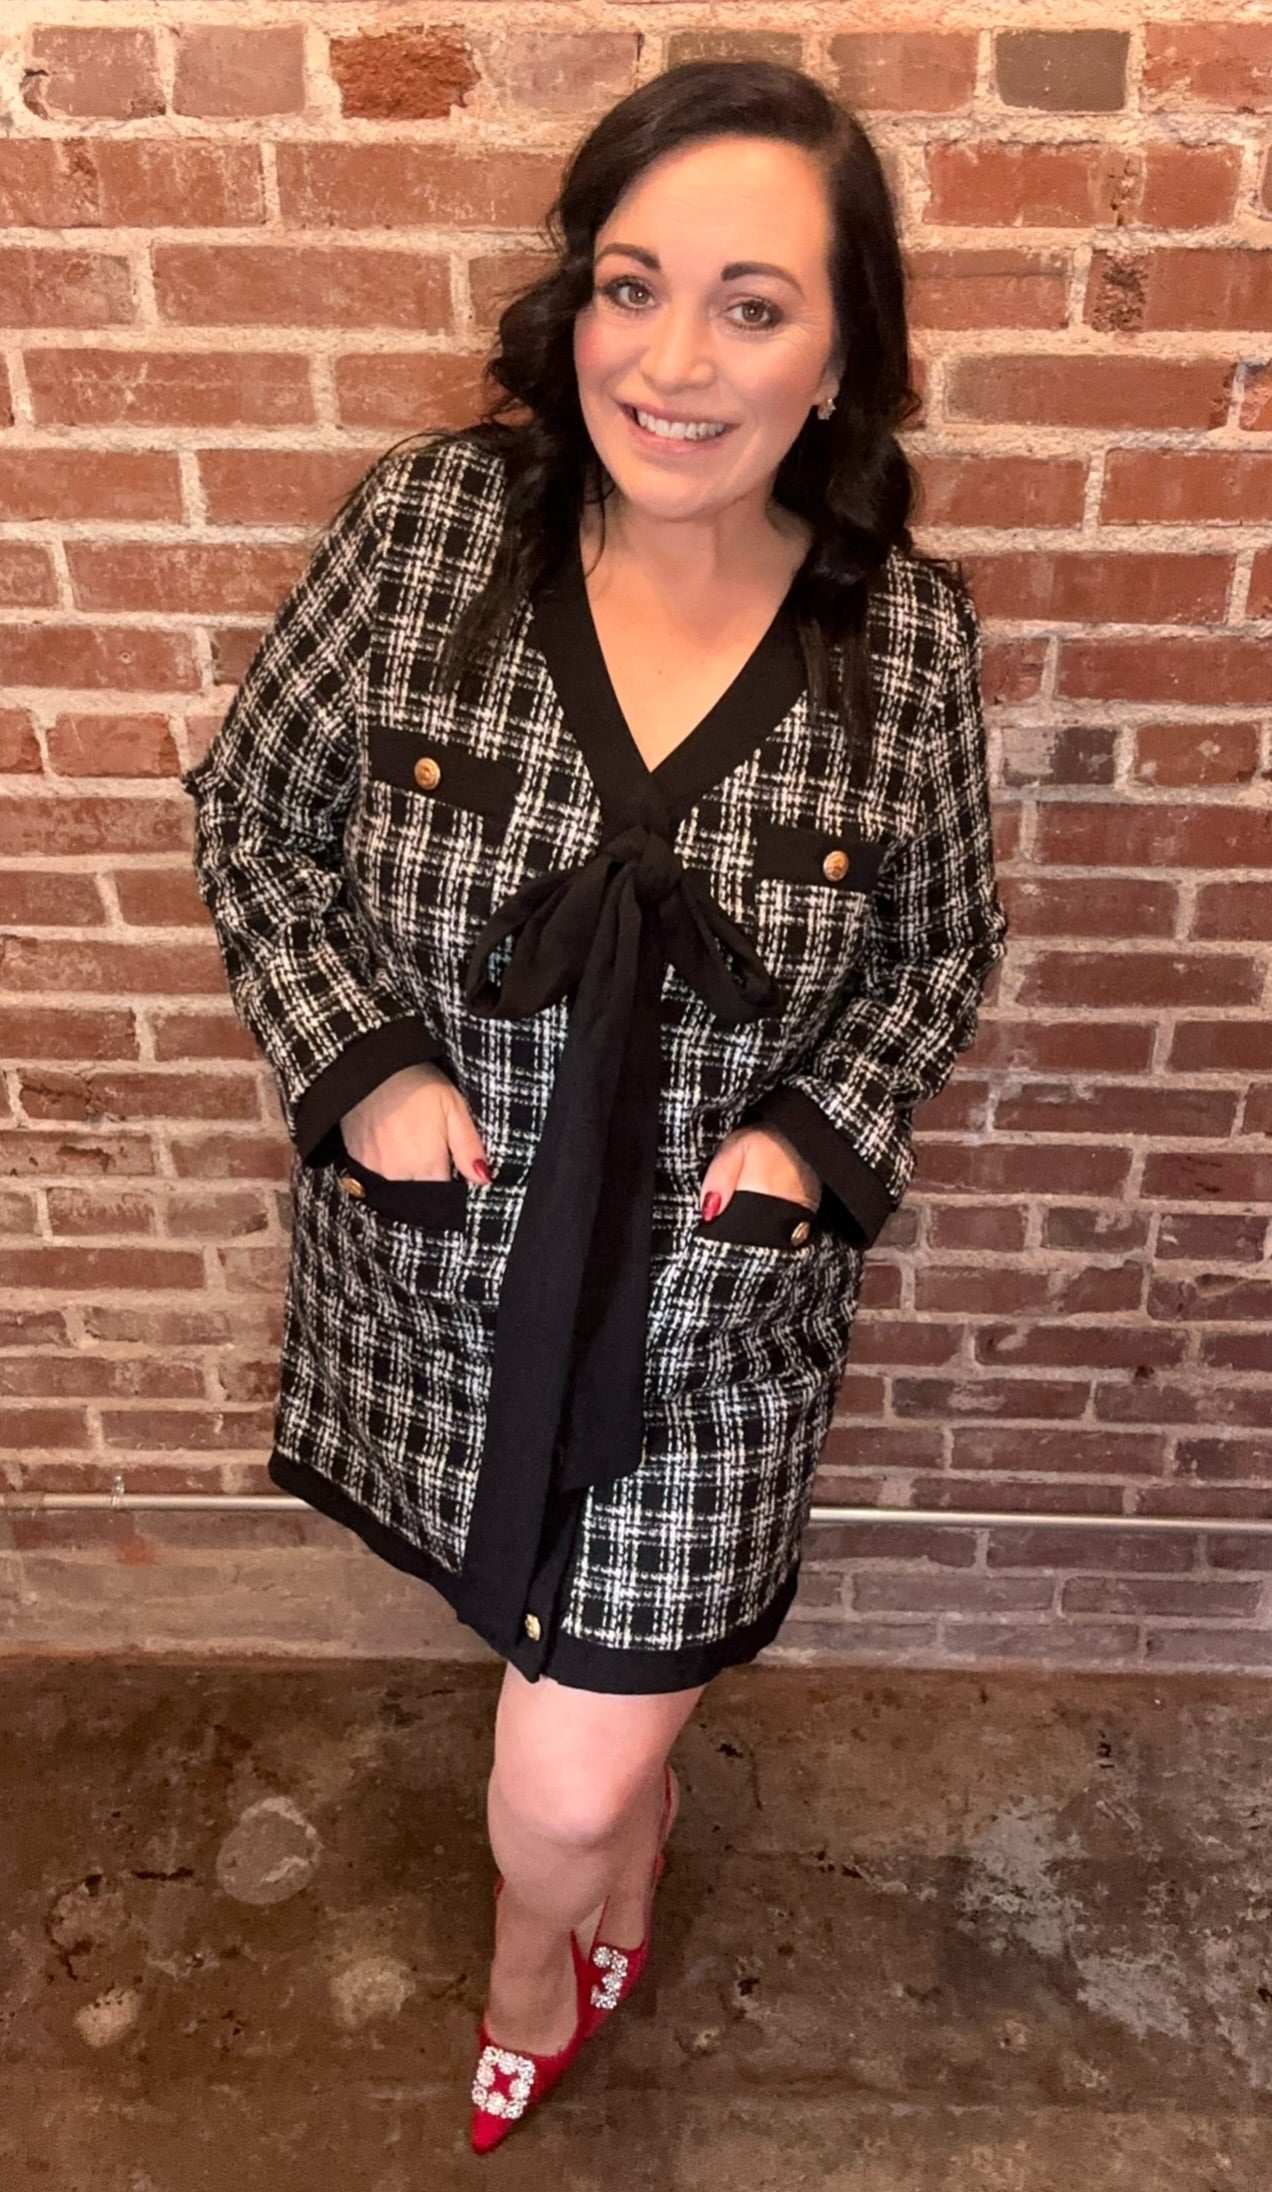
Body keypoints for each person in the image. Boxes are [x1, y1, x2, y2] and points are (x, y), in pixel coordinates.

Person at [181, 59, 1009, 2150]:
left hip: (714, 1321)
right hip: (458, 1277)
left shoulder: (905, 645)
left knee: (552, 1785)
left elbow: (937, 948)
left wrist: (806, 1144)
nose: (672, 360)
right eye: (632, 286)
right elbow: (258, 820)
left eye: (753, 304)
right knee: (577, 1708)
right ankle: (621, 1836)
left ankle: (531, 1970)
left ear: (842, 356)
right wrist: (362, 1064)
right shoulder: (426, 534)